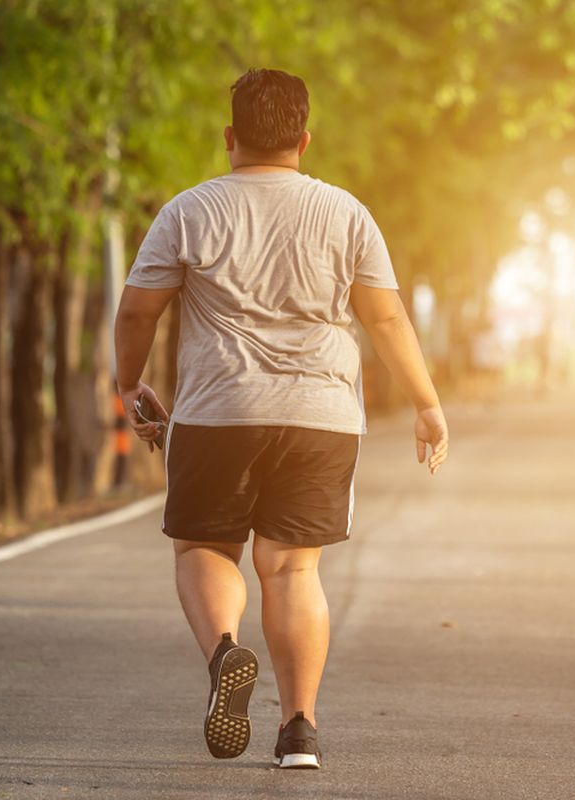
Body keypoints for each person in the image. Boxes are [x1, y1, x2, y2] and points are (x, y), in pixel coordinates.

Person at [113, 67, 449, 769]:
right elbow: (384, 316)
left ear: (230, 138)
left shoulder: (190, 210)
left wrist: (129, 383)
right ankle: (299, 731)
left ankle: (227, 652)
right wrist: (426, 403)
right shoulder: (345, 213)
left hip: (218, 411)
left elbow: (140, 309)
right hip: (320, 414)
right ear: (304, 138)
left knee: (204, 548)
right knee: (293, 568)